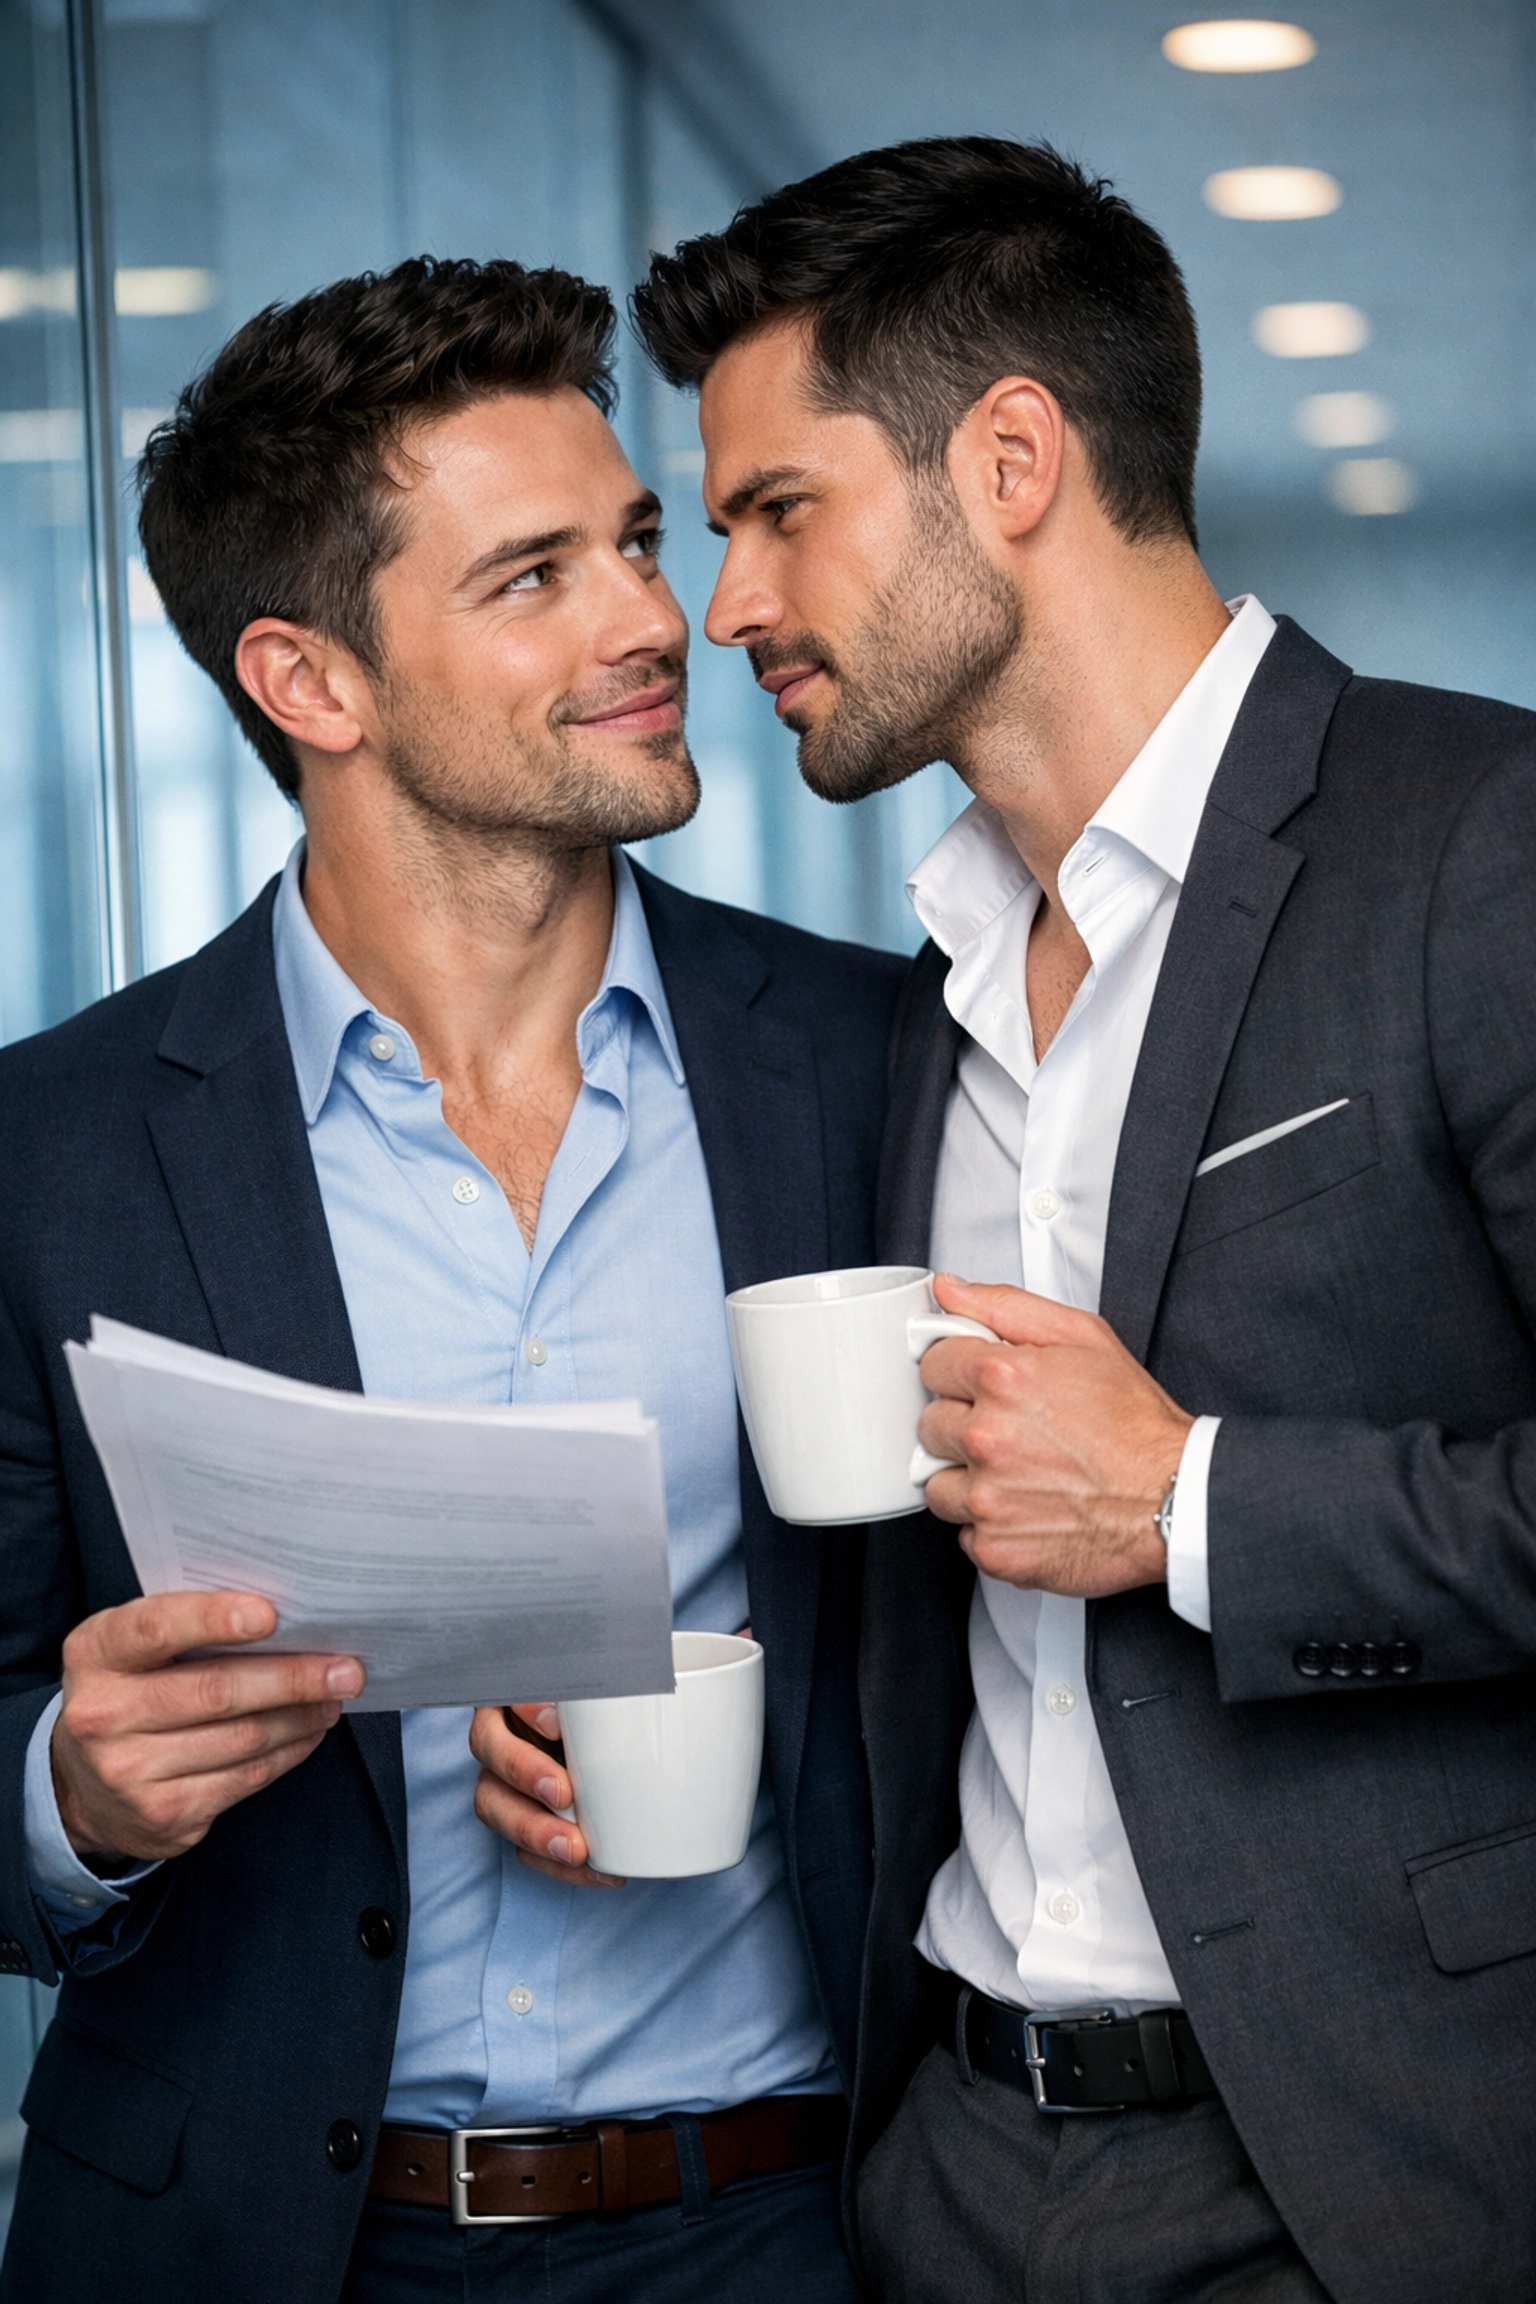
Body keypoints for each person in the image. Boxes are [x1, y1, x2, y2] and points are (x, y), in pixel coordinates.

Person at [634, 136, 1536, 2304]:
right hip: (942, 2173)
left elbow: (1131, 1508)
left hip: (1360, 2176)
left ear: (1012, 458)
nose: (727, 603)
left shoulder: (1481, 845)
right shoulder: (923, 997)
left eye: (779, 511)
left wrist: (1196, 1503)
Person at [0, 256, 903, 2304]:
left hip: (793, 2229)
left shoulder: (881, 1067)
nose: (653, 621)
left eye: (642, 544)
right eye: (535, 578)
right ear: (310, 684)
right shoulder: (44, 1152)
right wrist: (73, 1787)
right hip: (254, 2246)